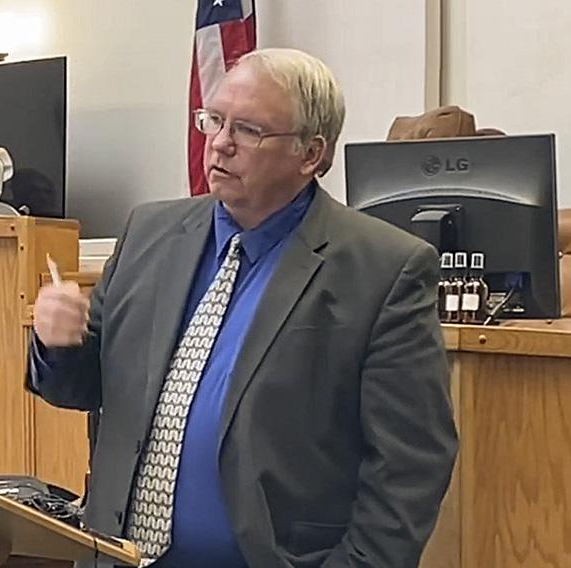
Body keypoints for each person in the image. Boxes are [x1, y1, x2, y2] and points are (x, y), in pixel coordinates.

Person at [27, 48, 458, 568]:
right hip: (121, 555)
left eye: (249, 130)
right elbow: (86, 388)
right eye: (214, 120)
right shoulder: (148, 233)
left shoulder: (384, 269)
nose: (220, 144)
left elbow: (410, 465)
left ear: (310, 154)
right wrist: (57, 344)